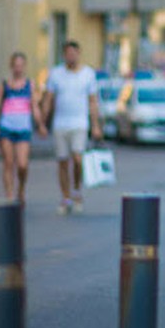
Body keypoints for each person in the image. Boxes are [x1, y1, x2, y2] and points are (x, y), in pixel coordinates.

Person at [41, 41, 103, 215]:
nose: (71, 56)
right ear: (64, 55)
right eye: (67, 53)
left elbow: (93, 101)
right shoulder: (56, 74)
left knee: (77, 158)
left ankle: (77, 190)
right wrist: (42, 123)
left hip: (80, 123)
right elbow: (48, 99)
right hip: (60, 123)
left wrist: (96, 125)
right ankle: (65, 197)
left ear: (78, 54)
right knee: (62, 161)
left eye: (73, 53)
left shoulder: (88, 74)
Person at [0, 52, 47, 203]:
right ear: (11, 67)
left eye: (21, 66)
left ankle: (20, 188)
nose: (18, 69)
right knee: (8, 162)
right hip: (6, 127)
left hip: (23, 129)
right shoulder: (5, 84)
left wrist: (40, 125)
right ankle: (9, 196)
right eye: (15, 66)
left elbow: (34, 106)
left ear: (24, 67)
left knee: (22, 164)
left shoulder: (30, 84)